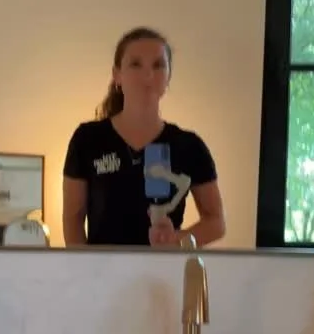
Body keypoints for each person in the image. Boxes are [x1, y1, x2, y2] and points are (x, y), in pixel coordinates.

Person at [62, 26, 226, 248]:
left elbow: (216, 222)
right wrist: (84, 266)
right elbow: (72, 219)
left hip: (164, 268)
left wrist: (176, 240)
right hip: (103, 269)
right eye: (135, 64)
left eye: (158, 65)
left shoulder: (189, 146)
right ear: (117, 75)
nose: (148, 74)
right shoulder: (88, 139)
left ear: (168, 77)